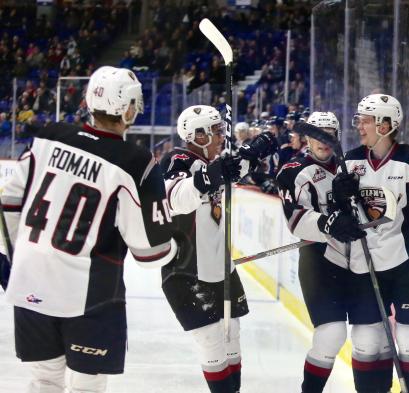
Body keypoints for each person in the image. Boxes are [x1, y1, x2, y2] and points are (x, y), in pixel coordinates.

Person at [1, 65, 179, 393]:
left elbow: (9, 203)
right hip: (90, 295)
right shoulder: (135, 162)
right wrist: (174, 245)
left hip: (30, 283)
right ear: (128, 107)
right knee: (86, 387)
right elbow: (151, 253)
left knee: (44, 382)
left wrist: (15, 259)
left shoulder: (48, 137)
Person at [332, 94, 409, 393]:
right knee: (365, 339)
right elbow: (336, 214)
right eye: (358, 120)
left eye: (366, 121)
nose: (359, 127)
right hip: (364, 262)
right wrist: (339, 201)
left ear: (386, 125)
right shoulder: (349, 161)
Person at [160, 105, 277, 393]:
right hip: (186, 268)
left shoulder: (215, 159)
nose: (221, 135)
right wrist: (208, 176)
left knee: (232, 334)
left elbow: (235, 168)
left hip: (219, 266)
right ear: (196, 135)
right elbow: (174, 197)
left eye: (219, 129)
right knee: (212, 339)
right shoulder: (178, 159)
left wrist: (253, 151)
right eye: (214, 131)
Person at [276, 112, 363, 393]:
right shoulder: (291, 171)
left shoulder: (352, 167)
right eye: (318, 134)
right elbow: (296, 220)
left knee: (369, 335)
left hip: (358, 257)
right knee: (331, 334)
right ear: (308, 138)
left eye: (330, 134)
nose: (324, 141)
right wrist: (329, 222)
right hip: (320, 258)